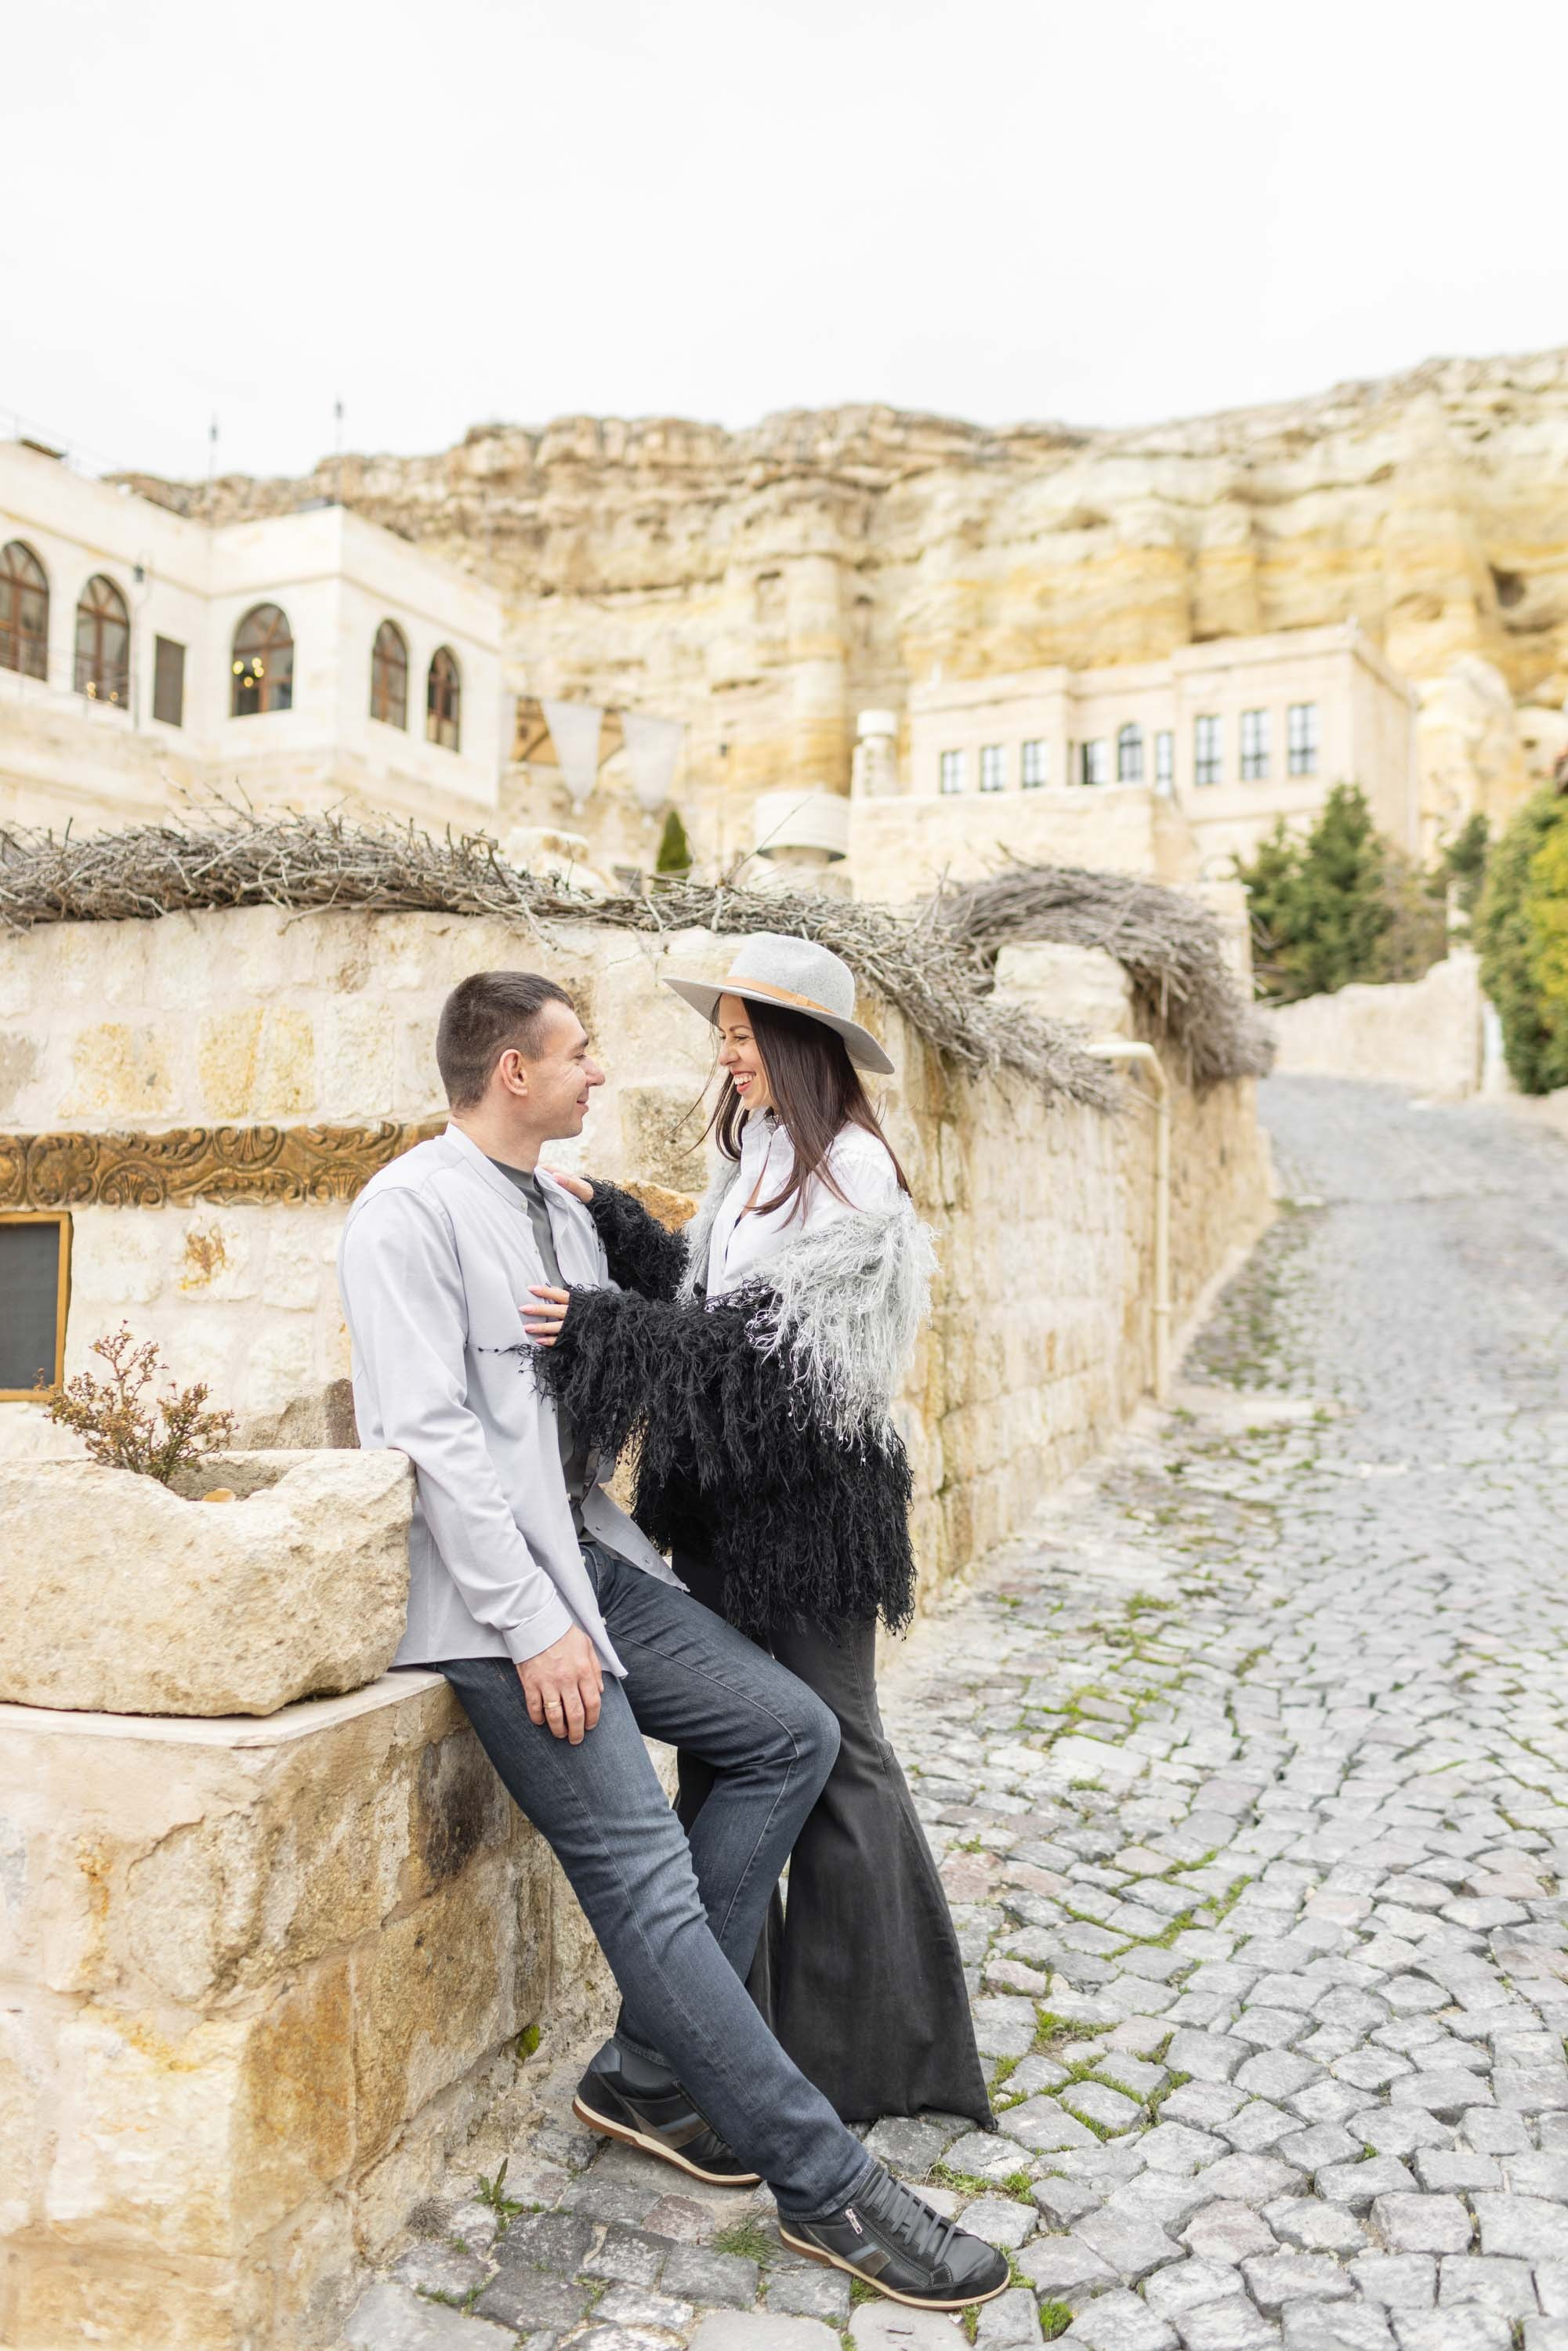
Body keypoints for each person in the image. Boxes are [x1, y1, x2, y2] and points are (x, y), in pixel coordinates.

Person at [337, 967, 1007, 2312]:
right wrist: (536, 1623)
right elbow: (428, 1444)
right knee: (646, 1872)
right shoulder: (407, 1213)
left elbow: (684, 1355)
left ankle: (651, 2069)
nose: (606, 1072)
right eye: (580, 1053)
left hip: (595, 1557)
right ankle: (830, 2188)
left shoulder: (565, 1213)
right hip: (496, 1597)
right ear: (514, 1072)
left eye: (737, 1039)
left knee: (796, 1733)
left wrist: (624, 1280)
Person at [525, 933, 992, 2132]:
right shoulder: (757, 1155)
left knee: (838, 1752)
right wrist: (621, 1227)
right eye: (723, 1036)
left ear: (796, 1042)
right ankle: (729, 2038)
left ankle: (883, 2054)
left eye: (742, 1036)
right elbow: (709, 1298)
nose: (726, 1056)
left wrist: (598, 1328)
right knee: (735, 1757)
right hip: (724, 1512)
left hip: (811, 1520)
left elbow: (764, 1366)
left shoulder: (855, 1175)